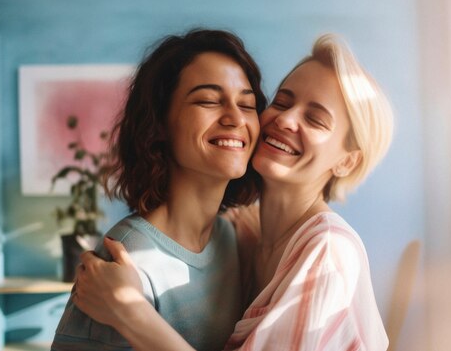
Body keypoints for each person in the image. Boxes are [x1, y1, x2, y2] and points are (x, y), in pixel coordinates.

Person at [73, 33, 393, 350]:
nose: (285, 119)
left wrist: (131, 312)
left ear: (348, 162)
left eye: (316, 120)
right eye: (281, 102)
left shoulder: (327, 251)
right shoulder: (241, 237)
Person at [51, 29, 267, 351]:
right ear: (160, 123)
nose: (236, 118)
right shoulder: (125, 260)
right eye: (208, 100)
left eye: (247, 105)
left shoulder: (229, 237)